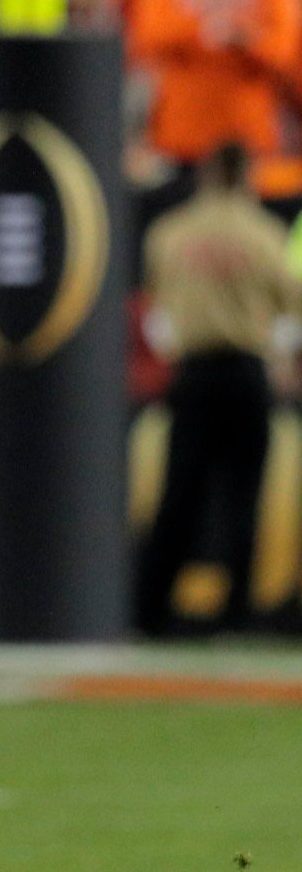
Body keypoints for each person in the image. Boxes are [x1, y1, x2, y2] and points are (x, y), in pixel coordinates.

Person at [135, 143, 302, 635]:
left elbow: (157, 312)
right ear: (247, 175)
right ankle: (234, 615)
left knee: (178, 496)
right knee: (241, 498)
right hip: (248, 376)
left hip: (192, 375)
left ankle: (149, 611)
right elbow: (292, 310)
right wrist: (280, 355)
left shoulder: (170, 232)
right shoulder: (266, 235)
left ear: (205, 174)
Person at [130, 0, 302, 170]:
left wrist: (241, 36)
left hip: (249, 136)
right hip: (180, 134)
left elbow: (285, 53)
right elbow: (145, 38)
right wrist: (199, 27)